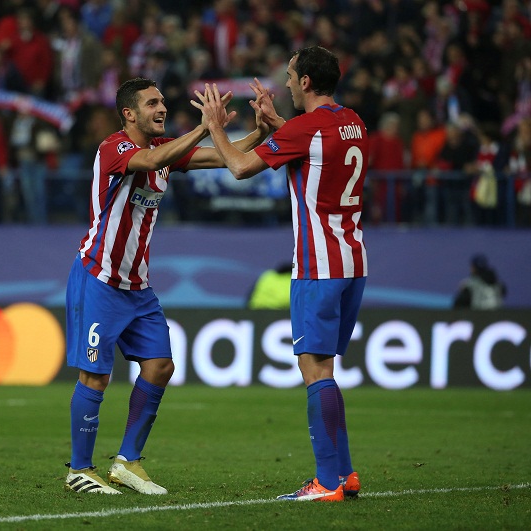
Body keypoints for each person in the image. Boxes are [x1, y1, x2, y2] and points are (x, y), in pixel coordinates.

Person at [65, 77, 269, 494]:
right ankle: (79, 471)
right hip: (99, 278)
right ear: (129, 113)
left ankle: (127, 462)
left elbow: (219, 158)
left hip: (137, 286)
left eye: (163, 101)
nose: (162, 108)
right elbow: (147, 161)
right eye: (152, 103)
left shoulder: (167, 150)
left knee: (160, 366)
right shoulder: (114, 148)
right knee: (95, 378)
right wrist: (204, 125)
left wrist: (260, 132)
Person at [193, 46, 367, 502]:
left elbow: (238, 166)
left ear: (306, 82)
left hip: (317, 265)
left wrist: (214, 127)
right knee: (326, 369)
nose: (286, 83)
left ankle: (327, 482)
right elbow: (315, 147)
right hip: (353, 260)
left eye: (290, 76)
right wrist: (275, 124)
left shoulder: (307, 129)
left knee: (315, 371)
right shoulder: (353, 122)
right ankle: (345, 474)